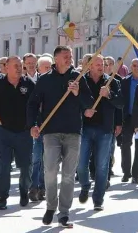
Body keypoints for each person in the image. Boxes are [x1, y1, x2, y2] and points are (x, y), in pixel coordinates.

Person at [28, 45, 94, 228]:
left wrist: (77, 93)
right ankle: (50, 206)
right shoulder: (45, 79)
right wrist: (32, 125)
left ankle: (64, 213)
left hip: (73, 131)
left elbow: (89, 103)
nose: (69, 58)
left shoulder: (78, 78)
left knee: (68, 175)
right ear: (56, 59)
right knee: (49, 171)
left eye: (71, 55)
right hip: (50, 132)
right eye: (65, 56)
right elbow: (33, 103)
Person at [0, 56, 35, 210]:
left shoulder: (28, 84)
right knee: (3, 165)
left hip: (24, 132)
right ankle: (2, 197)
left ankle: (24, 191)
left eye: (20, 65)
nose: (18, 68)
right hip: (3, 131)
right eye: (15, 65)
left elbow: (36, 106)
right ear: (6, 68)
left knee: (25, 166)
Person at [77, 54, 123, 211]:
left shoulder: (112, 82)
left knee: (102, 166)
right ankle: (84, 185)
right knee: (81, 164)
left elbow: (120, 104)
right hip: (85, 128)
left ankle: (98, 199)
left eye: (102, 64)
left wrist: (109, 95)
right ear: (89, 66)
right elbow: (76, 102)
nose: (100, 66)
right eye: (97, 64)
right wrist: (84, 111)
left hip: (105, 129)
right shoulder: (82, 81)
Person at [28, 56, 53, 202]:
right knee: (36, 158)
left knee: (47, 161)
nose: (48, 70)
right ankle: (33, 186)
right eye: (45, 67)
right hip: (37, 127)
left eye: (50, 67)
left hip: (51, 128)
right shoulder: (35, 85)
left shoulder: (55, 84)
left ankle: (43, 187)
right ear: (39, 69)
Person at [120, 58, 138, 183]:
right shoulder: (125, 82)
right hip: (128, 118)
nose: (136, 68)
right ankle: (126, 172)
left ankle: (136, 174)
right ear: (130, 67)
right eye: (134, 65)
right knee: (125, 146)